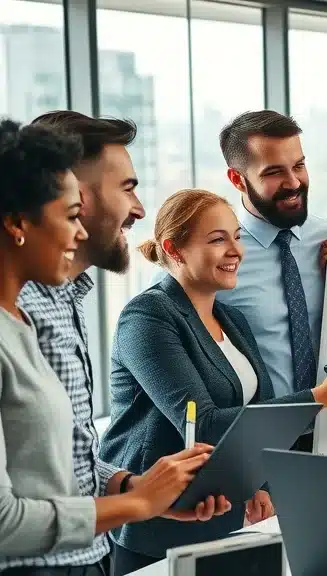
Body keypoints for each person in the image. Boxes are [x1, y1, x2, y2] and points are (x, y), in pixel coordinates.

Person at [99, 189, 327, 574]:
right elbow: (203, 424)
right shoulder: (148, 316)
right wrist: (320, 396)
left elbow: (254, 415)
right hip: (160, 528)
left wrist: (257, 485)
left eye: (236, 236)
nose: (235, 250)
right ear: (175, 249)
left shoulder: (233, 321)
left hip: (225, 519)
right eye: (218, 239)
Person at [0, 119, 228, 576]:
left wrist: (133, 489)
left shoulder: (49, 304)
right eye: (127, 188)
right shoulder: (25, 310)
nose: (139, 208)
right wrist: (135, 503)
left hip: (86, 555)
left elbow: (63, 458)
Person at [154, 111, 327, 452]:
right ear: (237, 179)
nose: (294, 182)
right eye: (274, 172)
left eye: (298, 165)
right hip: (257, 440)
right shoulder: (215, 259)